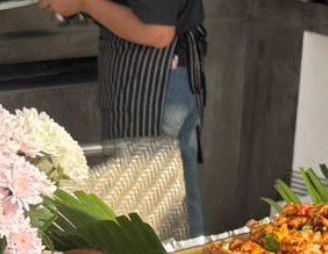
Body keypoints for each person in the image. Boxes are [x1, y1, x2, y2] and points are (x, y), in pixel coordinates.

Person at [38, 0, 206, 237]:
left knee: (149, 206)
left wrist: (85, 3)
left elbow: (157, 32)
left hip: (152, 85)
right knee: (171, 203)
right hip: (148, 77)